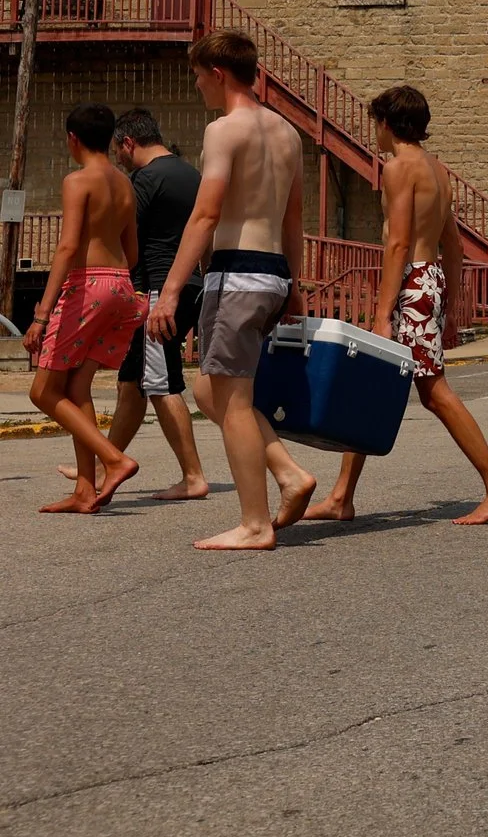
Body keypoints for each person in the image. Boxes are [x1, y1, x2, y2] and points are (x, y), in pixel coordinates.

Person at [303, 87, 488, 527]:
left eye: (375, 123)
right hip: (431, 280)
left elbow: (398, 241)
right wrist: (453, 308)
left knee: (434, 392)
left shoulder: (399, 167)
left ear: (387, 122)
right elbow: (454, 248)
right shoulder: (437, 170)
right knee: (371, 382)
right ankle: (342, 496)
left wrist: (382, 315)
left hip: (411, 283)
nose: (374, 134)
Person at [150, 29, 321, 552]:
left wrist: (171, 291)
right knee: (211, 390)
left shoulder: (224, 130)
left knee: (234, 398)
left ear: (218, 74)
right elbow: (294, 217)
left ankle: (254, 522)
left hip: (237, 274)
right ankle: (288, 473)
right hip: (271, 272)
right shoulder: (288, 133)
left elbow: (205, 214)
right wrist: (294, 283)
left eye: (199, 77)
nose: (199, 86)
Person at [52, 111, 211, 503]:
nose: (118, 159)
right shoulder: (190, 175)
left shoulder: (143, 180)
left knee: (160, 380)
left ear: (127, 143)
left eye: (119, 152)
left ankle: (193, 476)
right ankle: (107, 458)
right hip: (190, 284)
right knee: (132, 384)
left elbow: (125, 238)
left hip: (158, 292)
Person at [28, 104, 150, 513]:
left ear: (72, 139)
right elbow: (132, 251)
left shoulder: (78, 181)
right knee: (77, 389)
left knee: (43, 391)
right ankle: (85, 490)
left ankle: (114, 460)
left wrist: (42, 314)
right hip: (122, 287)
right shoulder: (125, 185)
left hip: (88, 288)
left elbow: (66, 247)